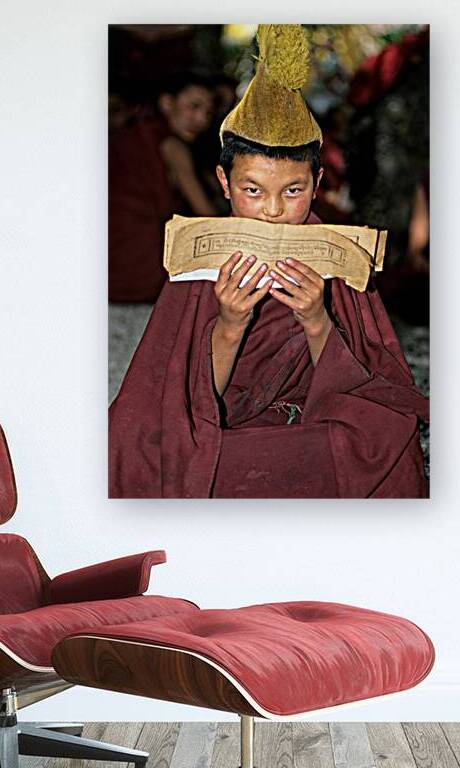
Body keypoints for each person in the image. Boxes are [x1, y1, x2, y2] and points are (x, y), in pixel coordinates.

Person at [109, 25, 429, 499]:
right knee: (145, 447)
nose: (274, 210)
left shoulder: (335, 250)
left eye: (294, 191)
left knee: (383, 440)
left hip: (309, 420)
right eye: (252, 190)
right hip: (224, 423)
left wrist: (316, 319)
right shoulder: (205, 252)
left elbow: (370, 385)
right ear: (223, 180)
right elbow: (175, 396)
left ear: (317, 183)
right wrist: (231, 323)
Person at [109, 72, 219, 303]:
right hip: (138, 257)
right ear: (167, 103)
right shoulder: (172, 145)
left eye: (208, 112)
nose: (201, 118)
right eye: (193, 106)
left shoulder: (132, 132)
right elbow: (206, 213)